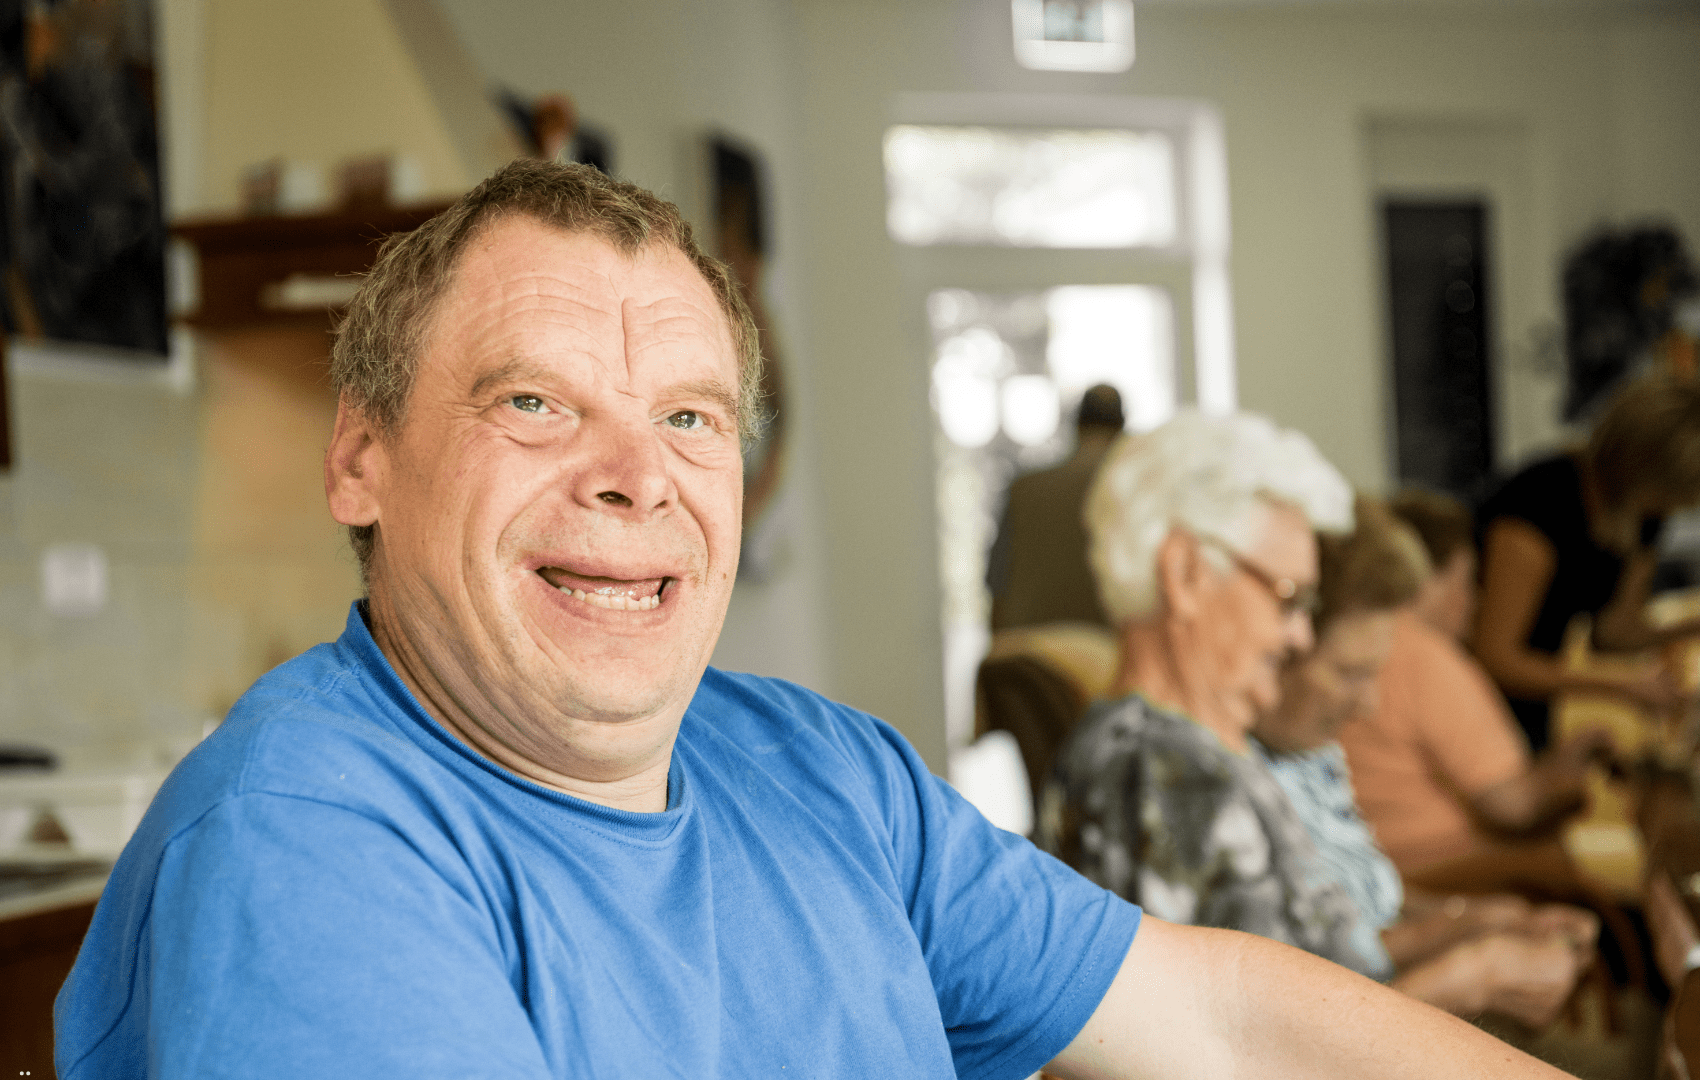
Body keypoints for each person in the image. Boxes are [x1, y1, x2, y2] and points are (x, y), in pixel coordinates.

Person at [58, 161, 1571, 1079]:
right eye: (534, 402)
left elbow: (1223, 1021)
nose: (632, 479)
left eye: (690, 418)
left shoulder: (824, 772)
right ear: (359, 459)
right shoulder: (307, 843)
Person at [1036, 410, 1381, 977]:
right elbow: (1252, 1049)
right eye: (1288, 597)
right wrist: (1473, 975)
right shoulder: (1164, 772)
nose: (1301, 636)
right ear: (1186, 574)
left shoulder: (1184, 750)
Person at [1252, 497, 1595, 1027]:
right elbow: (1292, 1035)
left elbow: (1362, 909)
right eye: (1348, 673)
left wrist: (1472, 920)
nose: (1367, 703)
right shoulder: (1221, 778)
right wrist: (1475, 969)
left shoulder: (1310, 749)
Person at [1341, 491, 1611, 879]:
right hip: (1447, 869)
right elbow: (1513, 806)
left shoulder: (1347, 642)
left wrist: (1558, 763)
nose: (1476, 599)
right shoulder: (1427, 656)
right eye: (1467, 579)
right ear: (1428, 578)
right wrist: (1578, 785)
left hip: (1373, 863)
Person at [1474, 371, 1700, 752]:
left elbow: (1613, 634)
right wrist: (1623, 687)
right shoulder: (1543, 502)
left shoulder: (1644, 517)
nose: (1683, 505)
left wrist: (1691, 626)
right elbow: (1496, 657)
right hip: (1479, 698)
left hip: (1534, 700)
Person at [986, 384, 1123, 631]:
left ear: (1078, 426)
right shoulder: (1132, 493)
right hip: (1108, 652)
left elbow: (997, 589)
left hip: (1031, 655)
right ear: (1120, 429)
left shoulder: (1024, 490)